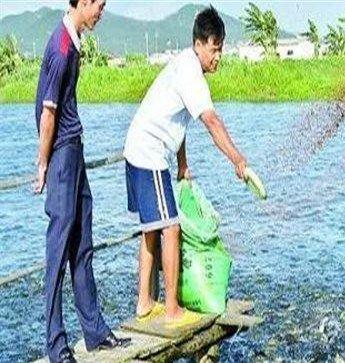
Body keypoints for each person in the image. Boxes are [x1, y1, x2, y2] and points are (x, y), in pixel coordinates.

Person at [123, 6, 248, 326]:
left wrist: (182, 165)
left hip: (138, 147)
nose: (218, 56)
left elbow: (179, 122)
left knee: (152, 229)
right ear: (200, 44)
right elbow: (211, 120)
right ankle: (172, 309)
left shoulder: (183, 65)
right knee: (171, 227)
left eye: (221, 49)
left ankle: (144, 302)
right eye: (215, 49)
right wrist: (237, 158)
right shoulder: (191, 73)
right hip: (149, 153)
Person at [34, 1, 131, 362]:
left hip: (74, 149)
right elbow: (47, 114)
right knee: (57, 253)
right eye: (100, 6)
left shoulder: (74, 40)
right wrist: (43, 165)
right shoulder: (61, 48)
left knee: (83, 245)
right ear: (83, 2)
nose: (102, 13)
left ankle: (94, 331)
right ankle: (56, 346)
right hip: (60, 154)